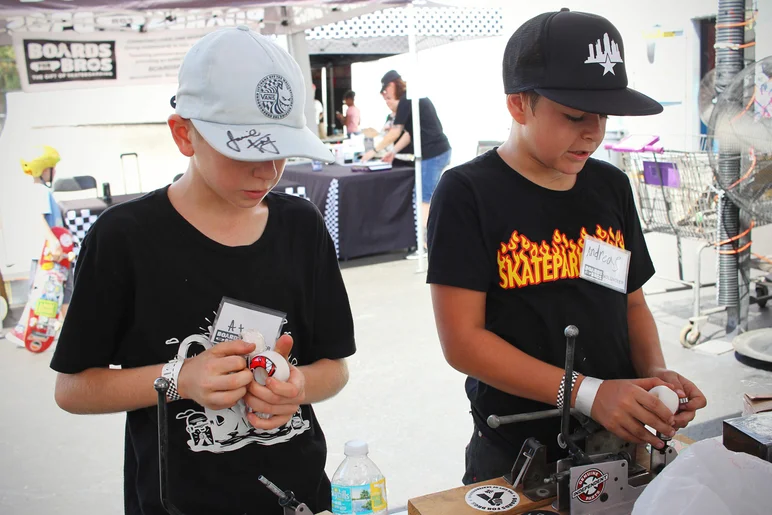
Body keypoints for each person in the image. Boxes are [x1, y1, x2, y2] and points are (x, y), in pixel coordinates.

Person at [51, 26, 355, 515]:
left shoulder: (301, 226)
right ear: (183, 134)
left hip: (302, 495)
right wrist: (180, 378)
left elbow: (334, 368)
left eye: (280, 151)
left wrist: (296, 387)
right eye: (244, 151)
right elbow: (73, 388)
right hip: (179, 501)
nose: (267, 171)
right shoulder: (124, 238)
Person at [426, 9, 707, 486]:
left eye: (602, 115)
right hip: (518, 454)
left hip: (621, 439)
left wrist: (654, 373)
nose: (593, 132)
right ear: (519, 105)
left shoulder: (610, 185)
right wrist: (587, 392)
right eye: (574, 115)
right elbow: (463, 342)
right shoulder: (467, 192)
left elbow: (631, 302)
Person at [361, 70, 452, 247]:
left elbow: (395, 132)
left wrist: (373, 151)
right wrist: (393, 152)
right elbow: (409, 134)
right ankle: (428, 241)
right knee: (425, 196)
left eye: (386, 95)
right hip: (438, 151)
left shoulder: (407, 101)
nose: (386, 99)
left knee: (424, 198)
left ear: (392, 86)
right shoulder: (414, 100)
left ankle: (426, 244)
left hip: (432, 154)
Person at [20, 145, 73, 319]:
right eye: (51, 168)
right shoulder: (42, 191)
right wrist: (54, 243)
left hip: (43, 252)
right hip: (50, 253)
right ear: (43, 170)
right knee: (63, 289)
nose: (54, 171)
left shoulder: (36, 191)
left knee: (50, 290)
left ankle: (60, 326)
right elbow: (40, 218)